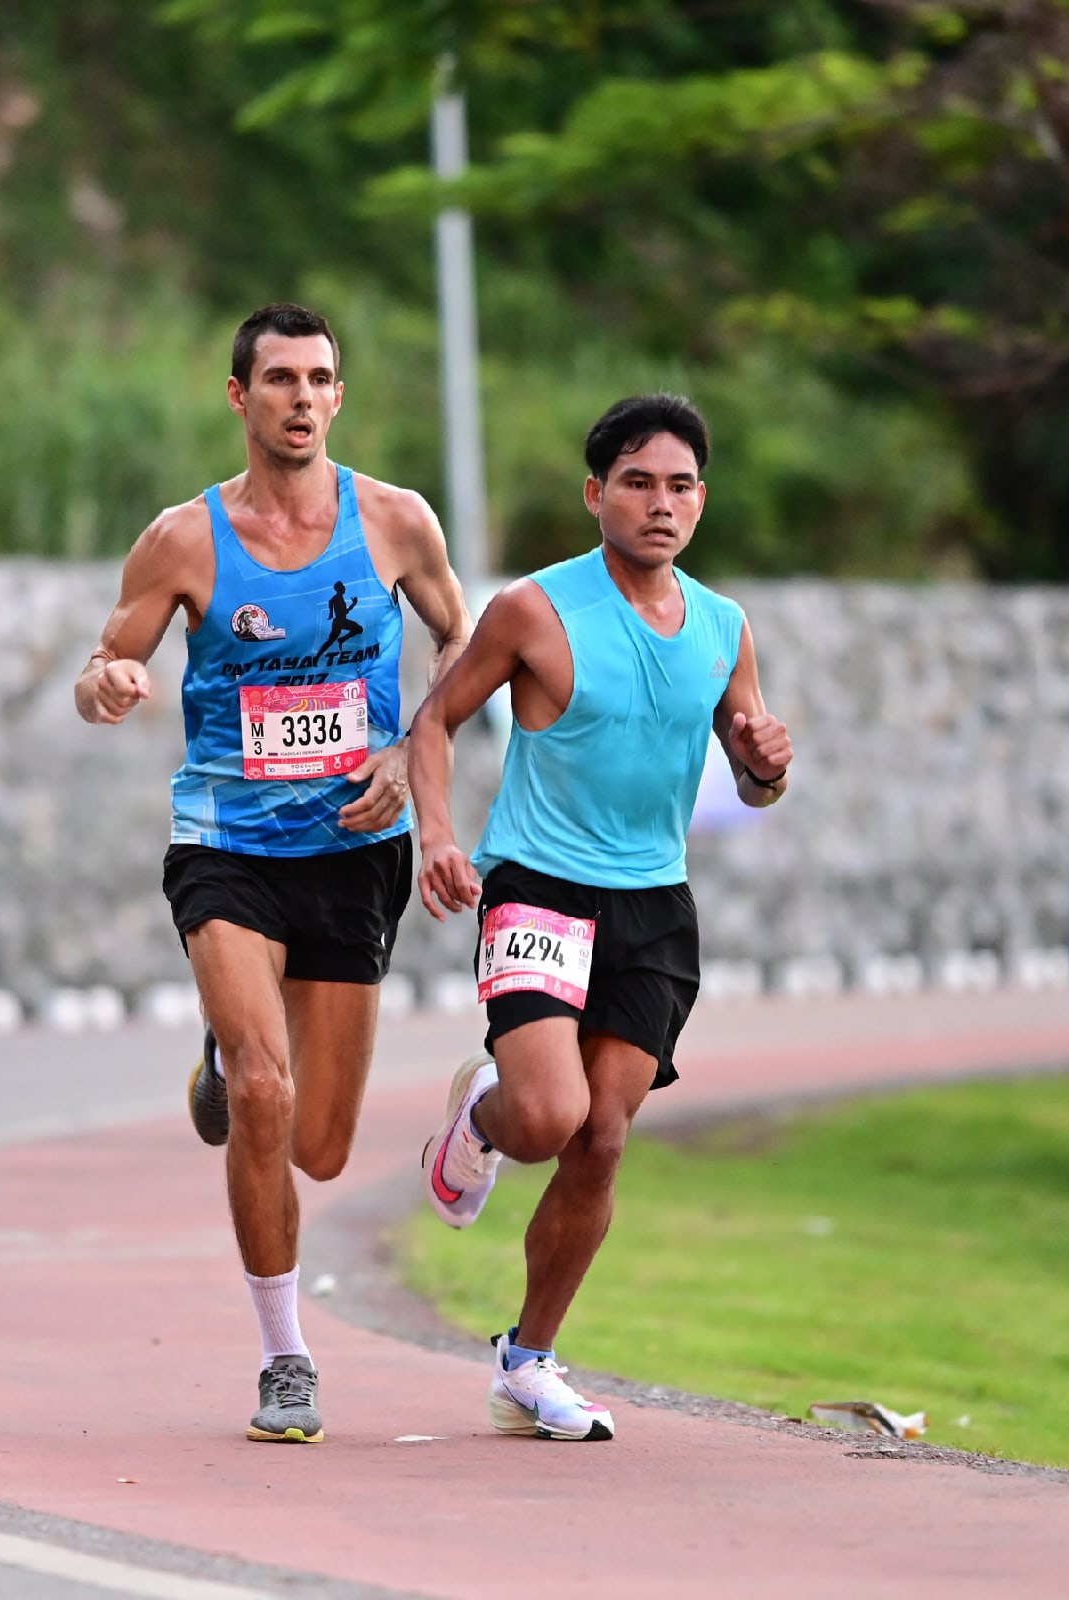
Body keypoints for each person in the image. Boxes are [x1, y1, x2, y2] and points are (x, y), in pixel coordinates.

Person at [75, 302, 471, 1444]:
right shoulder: (184, 539)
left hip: (354, 848)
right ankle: (284, 1356)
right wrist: (104, 686)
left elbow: (459, 640)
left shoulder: (395, 522)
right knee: (264, 1093)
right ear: (238, 396)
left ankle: (227, 1046)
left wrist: (409, 746)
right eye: (280, 378)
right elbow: (108, 660)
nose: (302, 397)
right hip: (226, 844)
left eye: (321, 378)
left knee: (320, 1144)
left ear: (339, 398)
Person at [406, 392, 792, 1443]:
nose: (659, 504)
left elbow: (751, 772)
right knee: (545, 1120)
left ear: (701, 501)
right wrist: (437, 834)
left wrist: (762, 774)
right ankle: (483, 1110)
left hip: (654, 907)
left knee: (603, 1138)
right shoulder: (535, 608)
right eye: (637, 482)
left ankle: (526, 1364)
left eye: (678, 486)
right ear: (595, 494)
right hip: (538, 883)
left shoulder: (723, 628)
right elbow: (434, 721)